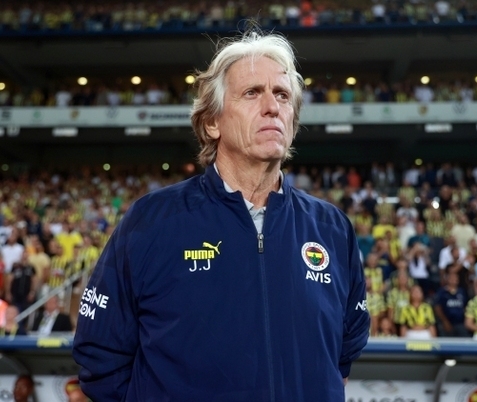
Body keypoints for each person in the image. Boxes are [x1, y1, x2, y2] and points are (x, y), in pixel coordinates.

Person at [73, 30, 370, 401]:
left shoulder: (331, 228)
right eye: (252, 92)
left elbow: (343, 354)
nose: (272, 106)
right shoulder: (151, 221)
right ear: (212, 122)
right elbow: (101, 358)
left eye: (282, 95)